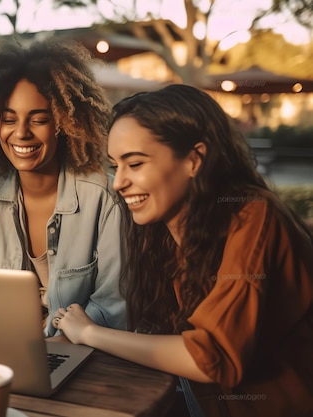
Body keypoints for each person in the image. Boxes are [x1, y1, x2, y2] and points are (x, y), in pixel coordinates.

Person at [53, 84, 313, 417]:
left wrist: (89, 332)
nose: (118, 183)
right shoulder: (162, 232)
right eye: (115, 166)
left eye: (135, 164)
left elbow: (212, 358)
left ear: (194, 159)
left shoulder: (252, 214)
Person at [0, 38, 126, 336]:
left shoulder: (103, 197)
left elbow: (112, 306)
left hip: (80, 349)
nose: (21, 133)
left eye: (39, 119)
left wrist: (54, 345)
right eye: (8, 119)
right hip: (9, 338)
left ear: (65, 123)